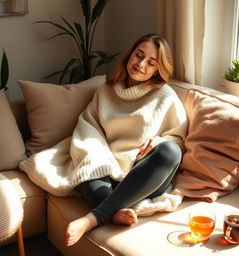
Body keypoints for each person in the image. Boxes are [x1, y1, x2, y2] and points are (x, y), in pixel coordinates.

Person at [63, 33, 188, 246]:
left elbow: (178, 139)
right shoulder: (106, 90)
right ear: (130, 55)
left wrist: (158, 141)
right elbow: (88, 128)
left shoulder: (165, 96)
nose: (141, 64)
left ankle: (93, 218)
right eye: (138, 55)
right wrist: (100, 158)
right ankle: (115, 211)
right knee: (86, 166)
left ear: (158, 69)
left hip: (144, 176)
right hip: (107, 167)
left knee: (170, 152)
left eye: (151, 62)